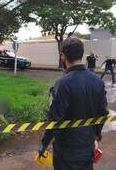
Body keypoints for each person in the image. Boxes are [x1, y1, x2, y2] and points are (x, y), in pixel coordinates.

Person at [38, 38, 109, 170]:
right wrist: (96, 137)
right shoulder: (97, 81)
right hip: (88, 147)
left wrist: (44, 144)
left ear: (63, 56)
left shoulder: (63, 84)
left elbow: (54, 119)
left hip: (66, 151)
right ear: (81, 55)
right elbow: (103, 113)